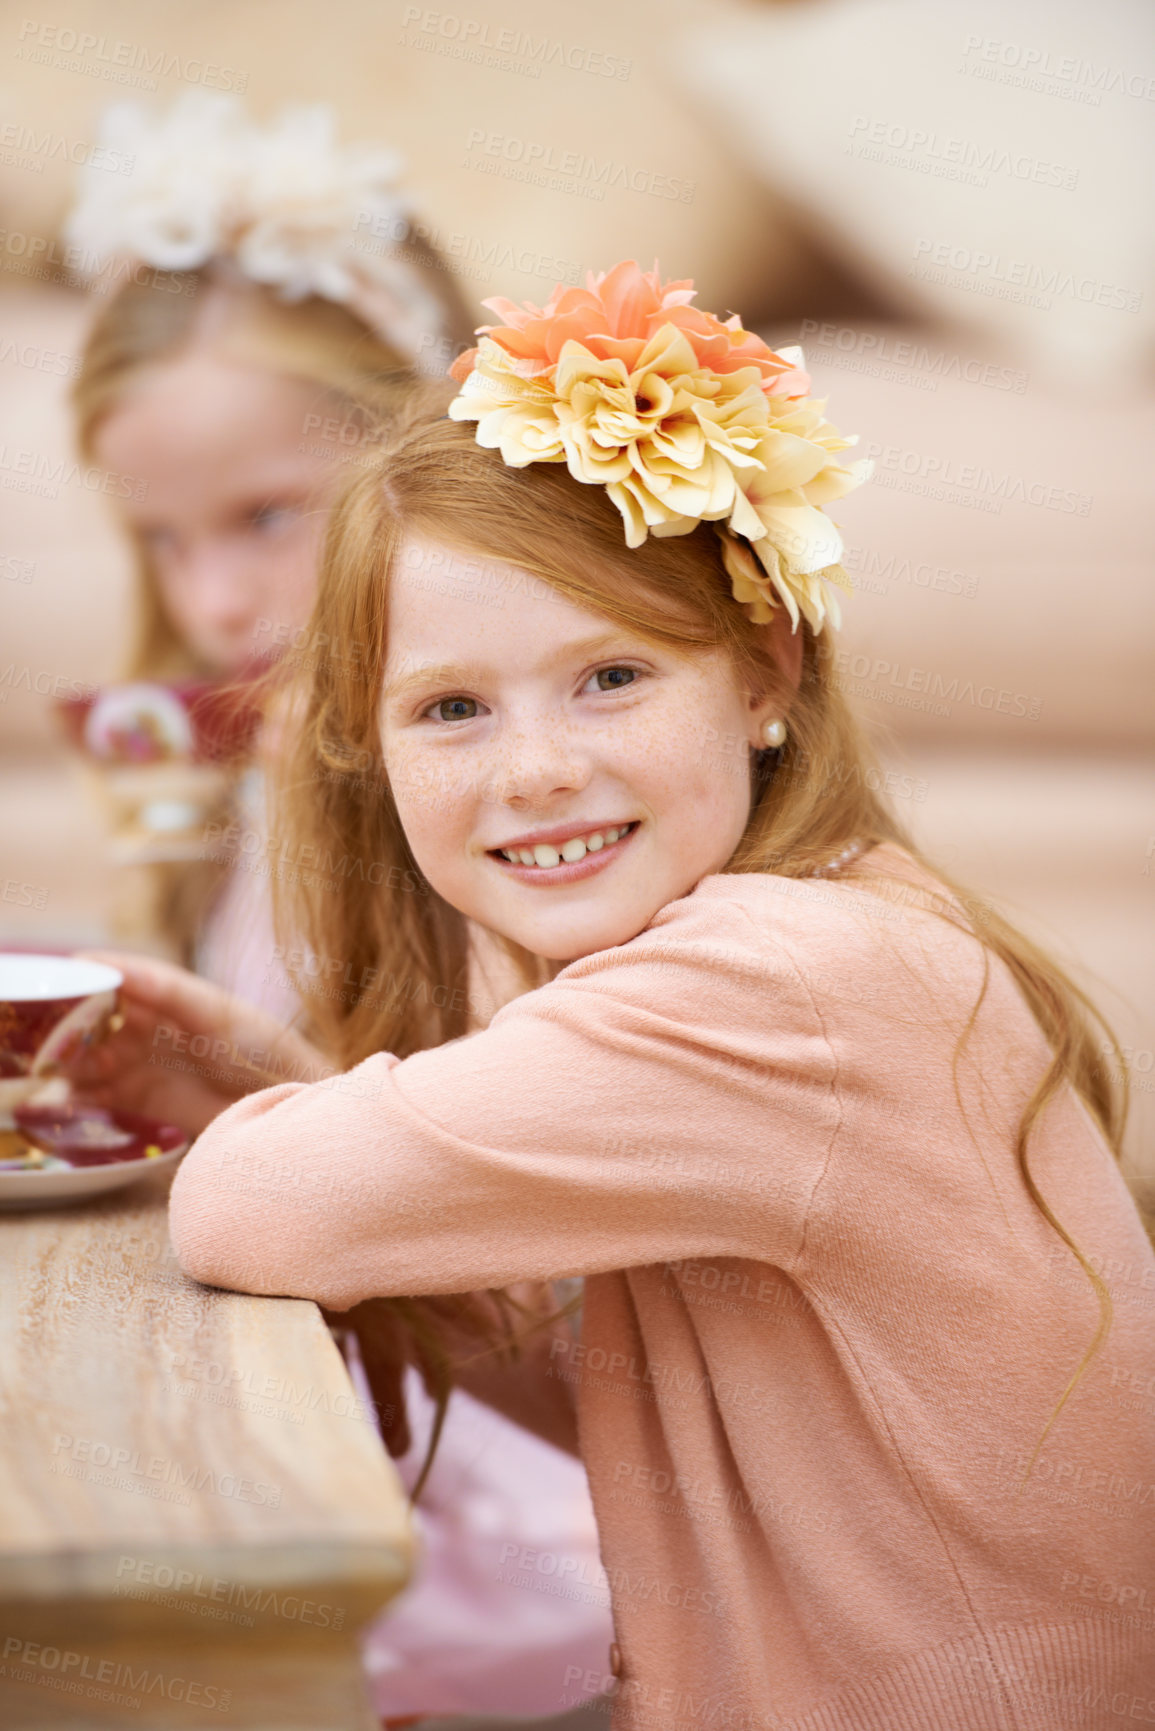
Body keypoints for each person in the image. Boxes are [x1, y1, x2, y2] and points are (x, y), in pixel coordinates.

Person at [76, 261, 1155, 1731]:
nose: (534, 768)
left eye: (611, 676)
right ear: (367, 745)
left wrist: (263, 1131)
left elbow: (245, 1211)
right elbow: (599, 1391)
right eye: (453, 707)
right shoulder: (836, 920)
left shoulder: (783, 985)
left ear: (764, 669)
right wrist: (257, 1081)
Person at [66, 96, 614, 1728]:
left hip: (498, 1437)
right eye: (160, 538)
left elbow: (527, 1243)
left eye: (263, 518)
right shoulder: (228, 755)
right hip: (304, 1364)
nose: (214, 595)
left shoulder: (508, 814)